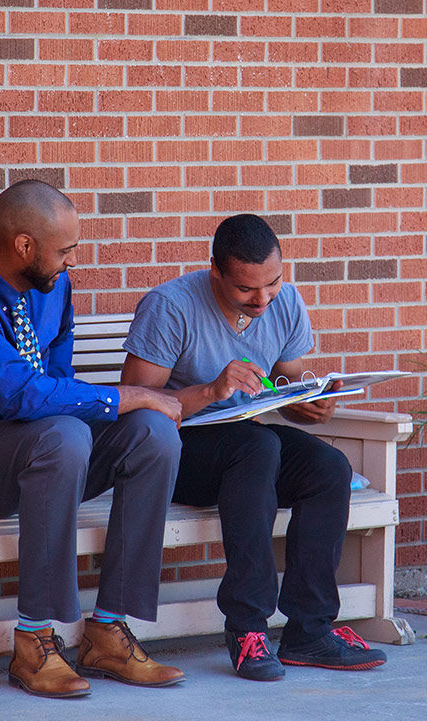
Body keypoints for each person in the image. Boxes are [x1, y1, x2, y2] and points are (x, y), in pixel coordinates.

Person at [0, 180, 186, 698]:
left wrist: (134, 408)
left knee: (152, 434)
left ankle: (107, 631)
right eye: (66, 250)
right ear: (24, 245)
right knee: (69, 434)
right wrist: (126, 395)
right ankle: (34, 641)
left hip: (40, 449)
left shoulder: (53, 287)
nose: (72, 262)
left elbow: (55, 383)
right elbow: (20, 396)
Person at [121, 213, 387, 681]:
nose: (262, 299)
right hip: (175, 453)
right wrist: (209, 390)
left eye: (273, 283)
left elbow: (286, 376)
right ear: (216, 271)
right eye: (247, 289)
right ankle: (247, 628)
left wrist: (309, 401)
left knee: (327, 466)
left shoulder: (283, 303)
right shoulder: (170, 306)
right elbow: (136, 406)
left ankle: (310, 629)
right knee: (258, 448)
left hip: (247, 445)